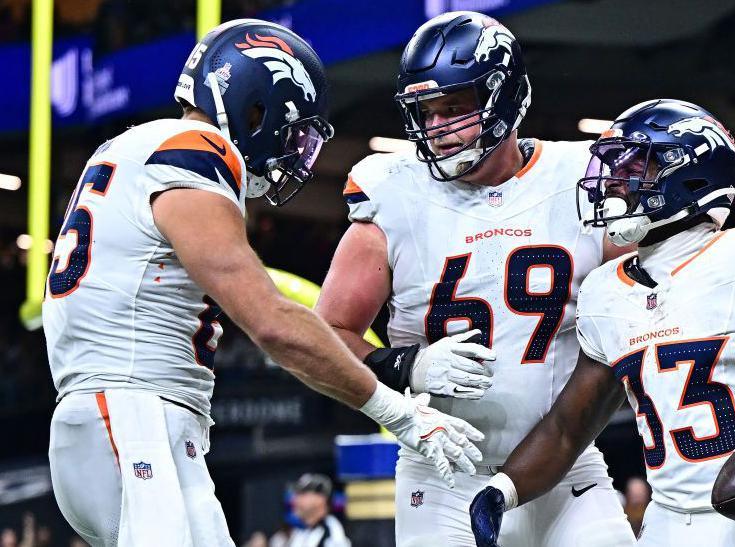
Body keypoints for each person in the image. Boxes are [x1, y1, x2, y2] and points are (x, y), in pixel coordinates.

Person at [44, 18, 483, 547]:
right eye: (294, 129)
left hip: (119, 415)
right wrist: (400, 412)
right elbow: (271, 321)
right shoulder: (194, 149)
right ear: (258, 105)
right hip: (134, 416)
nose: (293, 149)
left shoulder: (131, 148)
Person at [469, 99, 735, 546]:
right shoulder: (605, 292)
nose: (615, 185)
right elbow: (568, 427)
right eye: (614, 170)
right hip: (665, 518)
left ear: (688, 173)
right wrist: (503, 490)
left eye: (633, 169)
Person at [316, 11, 634, 547]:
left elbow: (652, 295)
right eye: (426, 111)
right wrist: (406, 364)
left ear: (504, 99)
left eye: (454, 107)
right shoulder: (392, 196)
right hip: (443, 471)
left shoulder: (583, 182)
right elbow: (327, 337)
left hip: (567, 465)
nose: (437, 126)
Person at [286, 473, 351, 547]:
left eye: (302, 494)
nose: (295, 499)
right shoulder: (301, 531)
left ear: (320, 499)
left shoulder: (333, 533)